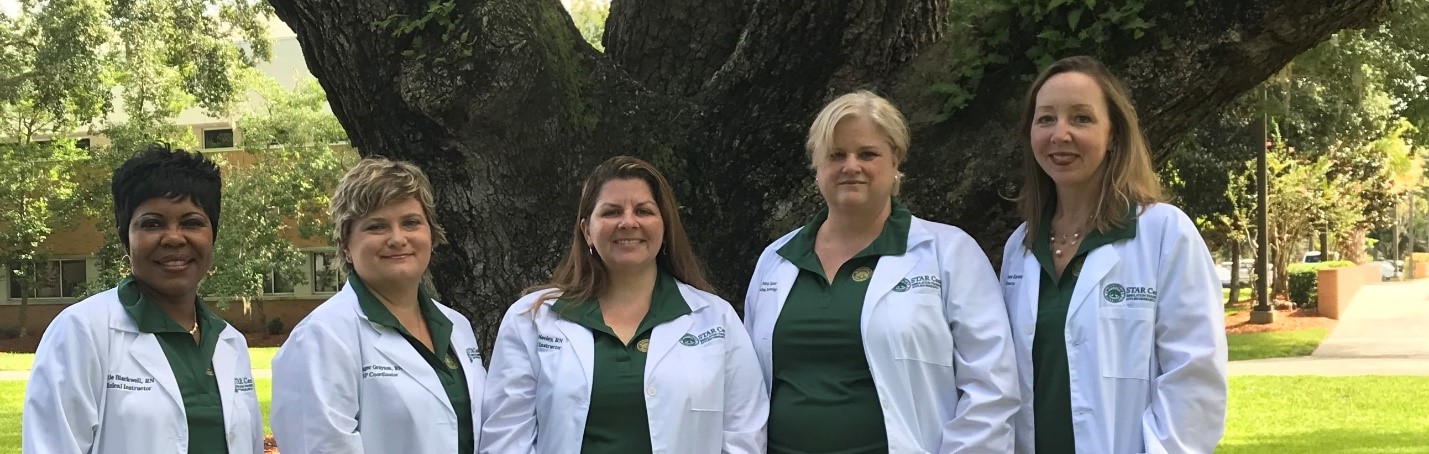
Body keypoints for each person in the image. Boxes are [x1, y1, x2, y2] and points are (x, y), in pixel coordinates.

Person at [743, 90, 1020, 453]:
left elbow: (992, 387)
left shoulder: (948, 252)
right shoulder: (776, 260)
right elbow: (746, 390)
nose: (851, 166)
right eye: (836, 155)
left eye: (867, 154)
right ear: (817, 166)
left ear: (895, 160)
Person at [1000, 55, 1228, 453]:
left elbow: (1194, 377)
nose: (1060, 134)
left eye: (1081, 118)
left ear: (1115, 136)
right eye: (1046, 118)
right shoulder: (1020, 248)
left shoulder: (1163, 233)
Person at [481, 156, 768, 454]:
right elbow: (506, 439)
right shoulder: (532, 319)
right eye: (611, 212)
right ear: (587, 230)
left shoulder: (716, 318)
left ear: (665, 226)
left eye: (643, 210)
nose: (628, 222)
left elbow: (745, 435)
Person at [22, 145, 263, 453]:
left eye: (192, 222)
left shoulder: (230, 342)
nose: (174, 237)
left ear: (212, 235)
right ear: (127, 237)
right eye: (152, 223)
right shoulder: (82, 332)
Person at [271, 157, 486, 453]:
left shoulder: (457, 327)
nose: (398, 239)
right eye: (376, 226)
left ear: (431, 234)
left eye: (410, 222)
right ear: (346, 245)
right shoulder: (322, 337)